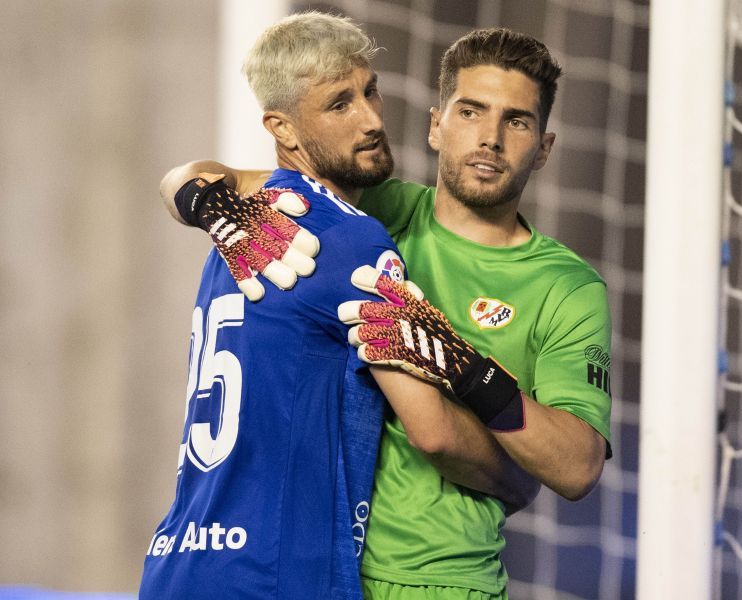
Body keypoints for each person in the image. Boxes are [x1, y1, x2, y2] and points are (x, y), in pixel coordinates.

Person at [161, 26, 612, 600]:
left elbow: (576, 469)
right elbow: (200, 174)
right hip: (327, 570)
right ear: (435, 124)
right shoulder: (367, 213)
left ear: (544, 147)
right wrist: (211, 207)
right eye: (471, 111)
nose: (491, 138)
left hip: (442, 578)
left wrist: (468, 370)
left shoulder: (568, 287)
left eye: (517, 121)